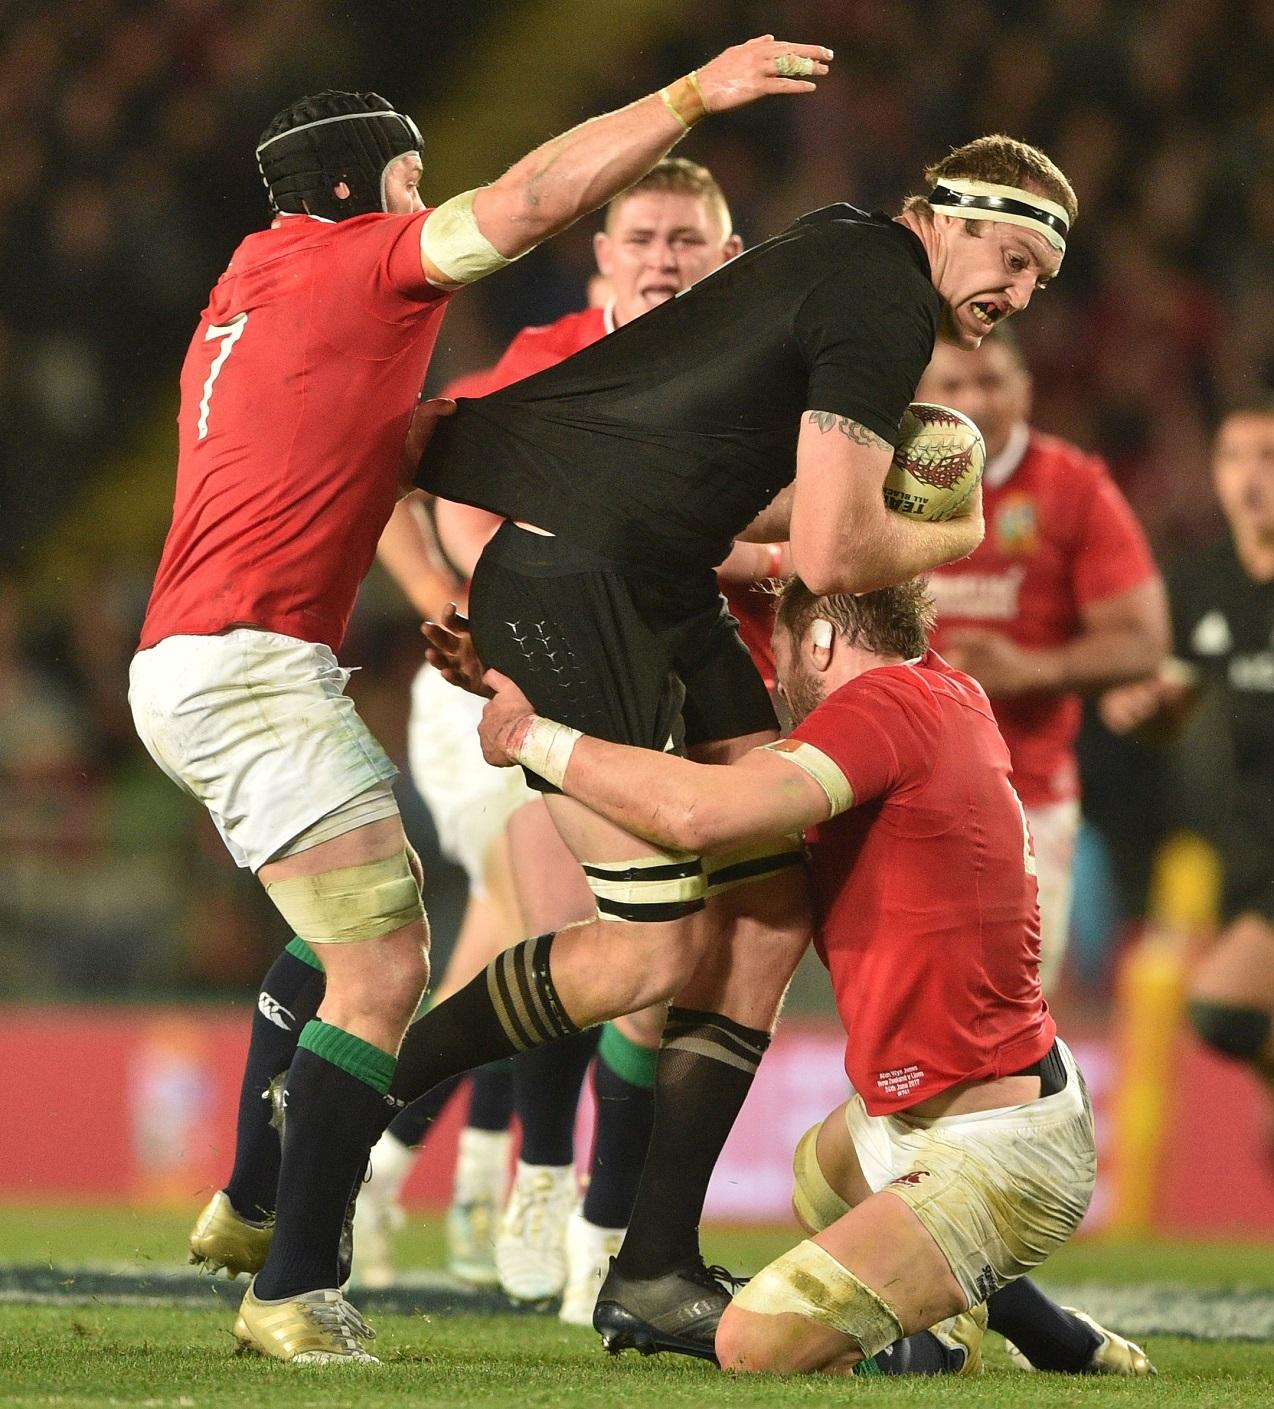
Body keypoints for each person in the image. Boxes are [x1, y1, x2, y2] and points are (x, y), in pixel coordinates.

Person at [128, 38, 832, 1364]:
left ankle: (255, 1193)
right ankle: (290, 1282)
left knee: (353, 929)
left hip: (207, 660)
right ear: (355, 190)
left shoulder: (246, 283)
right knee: (386, 960)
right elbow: (525, 203)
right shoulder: (355, 256)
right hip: (248, 667)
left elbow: (378, 452)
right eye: (408, 178)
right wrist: (689, 94)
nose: (422, 200)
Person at [385, 135, 1078, 1361]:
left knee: (762, 909)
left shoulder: (845, 254)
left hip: (634, 574)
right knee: (654, 940)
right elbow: (824, 550)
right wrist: (953, 530)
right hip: (579, 576)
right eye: (1012, 259)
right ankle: (372, 1091)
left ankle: (645, 1259)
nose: (1019, 294)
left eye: (1039, 279)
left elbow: (751, 504)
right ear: (946, 219)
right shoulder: (883, 300)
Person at [441, 577, 1141, 1376]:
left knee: (756, 1342)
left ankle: (940, 1349)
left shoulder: (885, 712)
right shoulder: (933, 692)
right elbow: (701, 756)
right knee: (819, 1180)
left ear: (818, 644)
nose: (771, 684)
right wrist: (535, 674)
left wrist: (529, 734)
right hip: (939, 1110)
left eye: (778, 654)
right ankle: (1061, 1338)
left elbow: (694, 812)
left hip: (997, 1146)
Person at [364, 157, 752, 1323]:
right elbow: (424, 477)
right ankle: (518, 1173)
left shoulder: (758, 371)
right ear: (603, 257)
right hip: (525, 675)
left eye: (687, 238)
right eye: (642, 235)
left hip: (678, 680)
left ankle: (465, 1170)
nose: (663, 257)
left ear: (726, 259)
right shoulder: (548, 362)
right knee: (545, 899)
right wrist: (447, 591)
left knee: (654, 967)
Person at [1099, 396, 1274, 1245]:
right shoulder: (1202, 581)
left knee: (1245, 1022)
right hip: (1255, 847)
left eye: (1269, 457)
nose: (1249, 479)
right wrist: (1142, 708)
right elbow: (1176, 699)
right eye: (1232, 459)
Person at [919, 329, 1168, 992]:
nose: (974, 399)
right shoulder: (889, 479)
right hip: (903, 793)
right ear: (921, 395)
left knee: (1012, 1007)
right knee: (911, 1005)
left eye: (992, 381)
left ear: (1025, 389)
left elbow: (1144, 637)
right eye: (953, 385)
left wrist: (1031, 670)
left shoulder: (1073, 487)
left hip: (1026, 793)